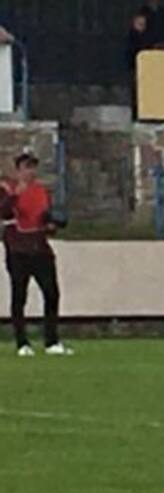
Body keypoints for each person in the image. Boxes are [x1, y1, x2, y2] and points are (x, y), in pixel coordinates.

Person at [1, 151, 70, 357]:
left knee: (51, 293)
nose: (30, 172)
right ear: (18, 170)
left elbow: (43, 218)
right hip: (18, 250)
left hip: (40, 248)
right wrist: (14, 197)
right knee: (19, 296)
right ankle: (22, 343)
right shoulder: (7, 189)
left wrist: (51, 225)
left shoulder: (41, 191)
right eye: (26, 167)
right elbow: (3, 213)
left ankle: (52, 341)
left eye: (32, 167)